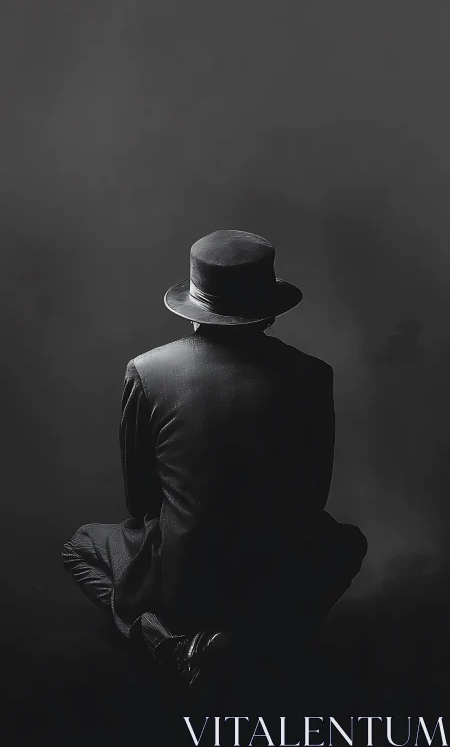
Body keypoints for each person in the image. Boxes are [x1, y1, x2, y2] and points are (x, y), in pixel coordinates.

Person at [62, 229, 367, 689]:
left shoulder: (147, 372)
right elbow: (312, 495)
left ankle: (166, 641)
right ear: (269, 312)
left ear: (194, 306)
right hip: (275, 574)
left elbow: (139, 498)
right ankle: (252, 636)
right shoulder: (312, 374)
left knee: (80, 547)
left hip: (186, 581)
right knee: (347, 544)